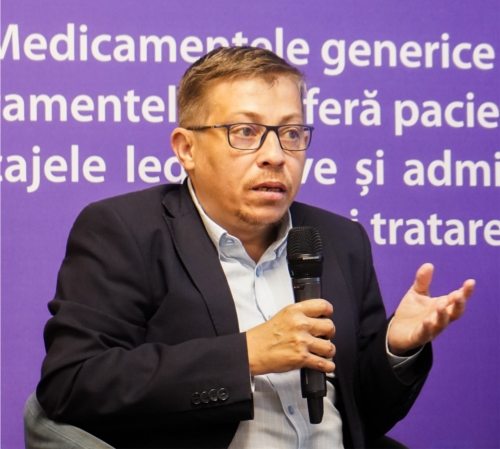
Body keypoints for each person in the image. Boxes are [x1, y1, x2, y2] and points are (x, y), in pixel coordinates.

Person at [36, 47, 474, 449]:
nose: (275, 155)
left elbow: (365, 418)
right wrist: (246, 355)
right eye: (246, 132)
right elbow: (72, 383)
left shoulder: (341, 240)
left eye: (291, 133)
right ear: (186, 149)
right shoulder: (126, 230)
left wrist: (396, 348)